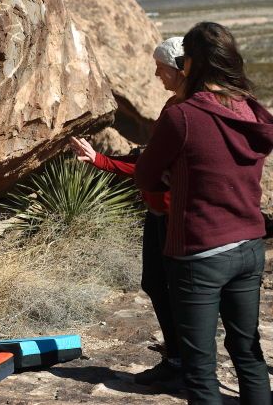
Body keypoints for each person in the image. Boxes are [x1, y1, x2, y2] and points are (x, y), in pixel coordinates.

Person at [135, 22, 273, 404]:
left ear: (191, 63)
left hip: (199, 250)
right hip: (248, 245)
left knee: (199, 367)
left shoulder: (183, 116)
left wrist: (173, 177)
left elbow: (146, 175)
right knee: (248, 353)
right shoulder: (251, 110)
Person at [69, 36, 186, 385]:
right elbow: (151, 163)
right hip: (157, 212)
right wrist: (105, 160)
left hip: (173, 216)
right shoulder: (172, 106)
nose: (156, 74)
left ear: (179, 69)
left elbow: (155, 169)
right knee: (155, 281)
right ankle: (179, 354)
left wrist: (102, 161)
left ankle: (184, 358)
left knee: (175, 286)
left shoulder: (185, 111)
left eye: (161, 69)